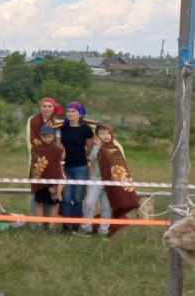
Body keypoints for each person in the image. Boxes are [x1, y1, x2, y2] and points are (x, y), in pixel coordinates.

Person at [94, 124, 139, 236]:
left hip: (115, 181)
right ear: (98, 135)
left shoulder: (117, 147)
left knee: (111, 205)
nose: (106, 136)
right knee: (94, 204)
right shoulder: (96, 148)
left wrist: (123, 179)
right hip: (98, 181)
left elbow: (122, 165)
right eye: (103, 133)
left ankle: (105, 230)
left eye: (108, 133)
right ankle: (92, 227)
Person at [58, 101, 94, 232]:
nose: (70, 113)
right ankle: (66, 225)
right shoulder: (63, 128)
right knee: (66, 196)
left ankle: (76, 224)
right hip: (65, 166)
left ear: (80, 113)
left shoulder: (86, 129)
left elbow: (90, 145)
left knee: (78, 197)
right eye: (68, 111)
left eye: (73, 111)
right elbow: (58, 144)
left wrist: (84, 155)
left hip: (80, 166)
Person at [30, 123, 65, 230]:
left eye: (49, 136)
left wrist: (56, 184)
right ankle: (39, 225)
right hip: (40, 181)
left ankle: (51, 226)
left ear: (53, 136)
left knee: (54, 204)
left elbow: (58, 167)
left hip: (53, 181)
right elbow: (34, 164)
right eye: (44, 136)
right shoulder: (36, 149)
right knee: (39, 203)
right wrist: (34, 177)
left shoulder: (58, 150)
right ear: (41, 136)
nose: (46, 138)